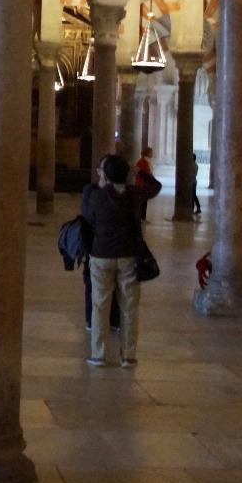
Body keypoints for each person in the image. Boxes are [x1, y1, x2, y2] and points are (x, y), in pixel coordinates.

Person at [81, 154, 145, 368]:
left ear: (105, 175)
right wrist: (139, 173)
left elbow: (88, 219)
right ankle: (128, 356)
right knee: (129, 306)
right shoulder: (133, 194)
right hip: (128, 255)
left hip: (101, 255)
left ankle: (98, 354)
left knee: (100, 305)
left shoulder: (97, 196)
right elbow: (155, 187)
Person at [133, 146, 157, 222]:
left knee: (144, 202)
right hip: (142, 185)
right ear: (147, 153)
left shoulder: (147, 161)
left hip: (145, 185)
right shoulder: (142, 161)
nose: (152, 154)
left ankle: (143, 218)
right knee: (141, 203)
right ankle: (140, 218)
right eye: (151, 152)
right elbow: (139, 173)